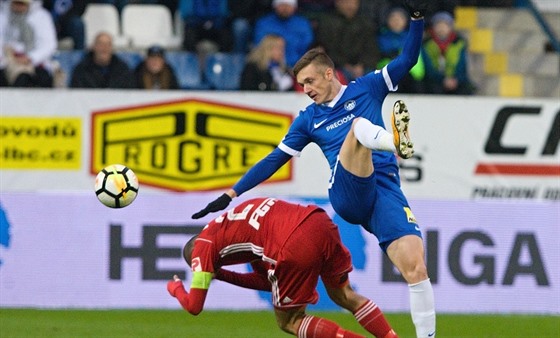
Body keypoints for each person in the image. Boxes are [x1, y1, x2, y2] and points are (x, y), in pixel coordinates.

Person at [192, 1, 436, 337]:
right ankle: (396, 142)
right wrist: (232, 192)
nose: (306, 90)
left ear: (328, 73)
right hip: (347, 191)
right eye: (302, 85)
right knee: (357, 131)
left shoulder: (368, 87)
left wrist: (417, 19)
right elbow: (275, 159)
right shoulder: (309, 119)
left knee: (416, 268)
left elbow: (408, 59)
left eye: (309, 81)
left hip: (384, 191)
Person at [168, 197, 399, 338]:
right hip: (319, 222)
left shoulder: (202, 248)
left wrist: (175, 288)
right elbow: (267, 283)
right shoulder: (232, 227)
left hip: (291, 244)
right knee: (345, 295)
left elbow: (194, 306)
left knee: (289, 321)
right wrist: (223, 275)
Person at [315, 0, 380, 81]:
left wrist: (361, 65)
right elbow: (326, 48)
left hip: (363, 67)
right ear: (337, 3)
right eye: (346, 2)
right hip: (337, 66)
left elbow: (371, 48)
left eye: (354, 3)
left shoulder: (366, 23)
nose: (350, 6)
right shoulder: (327, 22)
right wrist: (344, 65)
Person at [0, 0, 57, 87]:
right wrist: (9, 58)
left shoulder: (42, 17)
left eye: (22, 4)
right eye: (16, 3)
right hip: (7, 60)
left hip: (34, 61)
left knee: (43, 78)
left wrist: (30, 58)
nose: (19, 7)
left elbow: (49, 44)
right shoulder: (3, 16)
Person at [421, 11, 475, 95]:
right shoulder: (426, 44)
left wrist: (455, 79)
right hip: (435, 81)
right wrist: (443, 79)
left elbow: (462, 66)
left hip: (456, 81)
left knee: (468, 89)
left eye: (445, 25)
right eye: (438, 25)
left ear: (450, 27)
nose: (441, 28)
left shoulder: (459, 43)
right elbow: (428, 67)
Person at [377, 6, 425, 93]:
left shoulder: (413, 38)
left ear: (405, 21)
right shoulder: (381, 38)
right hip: (387, 73)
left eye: (400, 18)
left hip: (409, 76)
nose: (396, 21)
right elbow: (378, 60)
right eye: (393, 18)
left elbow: (418, 63)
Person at [253, 0, 314, 68]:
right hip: (268, 67)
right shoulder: (263, 23)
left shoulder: (303, 24)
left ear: (294, 7)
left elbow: (308, 46)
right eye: (281, 5)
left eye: (288, 5)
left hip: (297, 66)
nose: (285, 8)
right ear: (275, 6)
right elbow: (260, 46)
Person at [70, 31, 135, 88]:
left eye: (108, 44)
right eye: (100, 44)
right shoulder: (81, 70)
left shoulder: (123, 70)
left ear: (112, 48)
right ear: (93, 47)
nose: (104, 48)